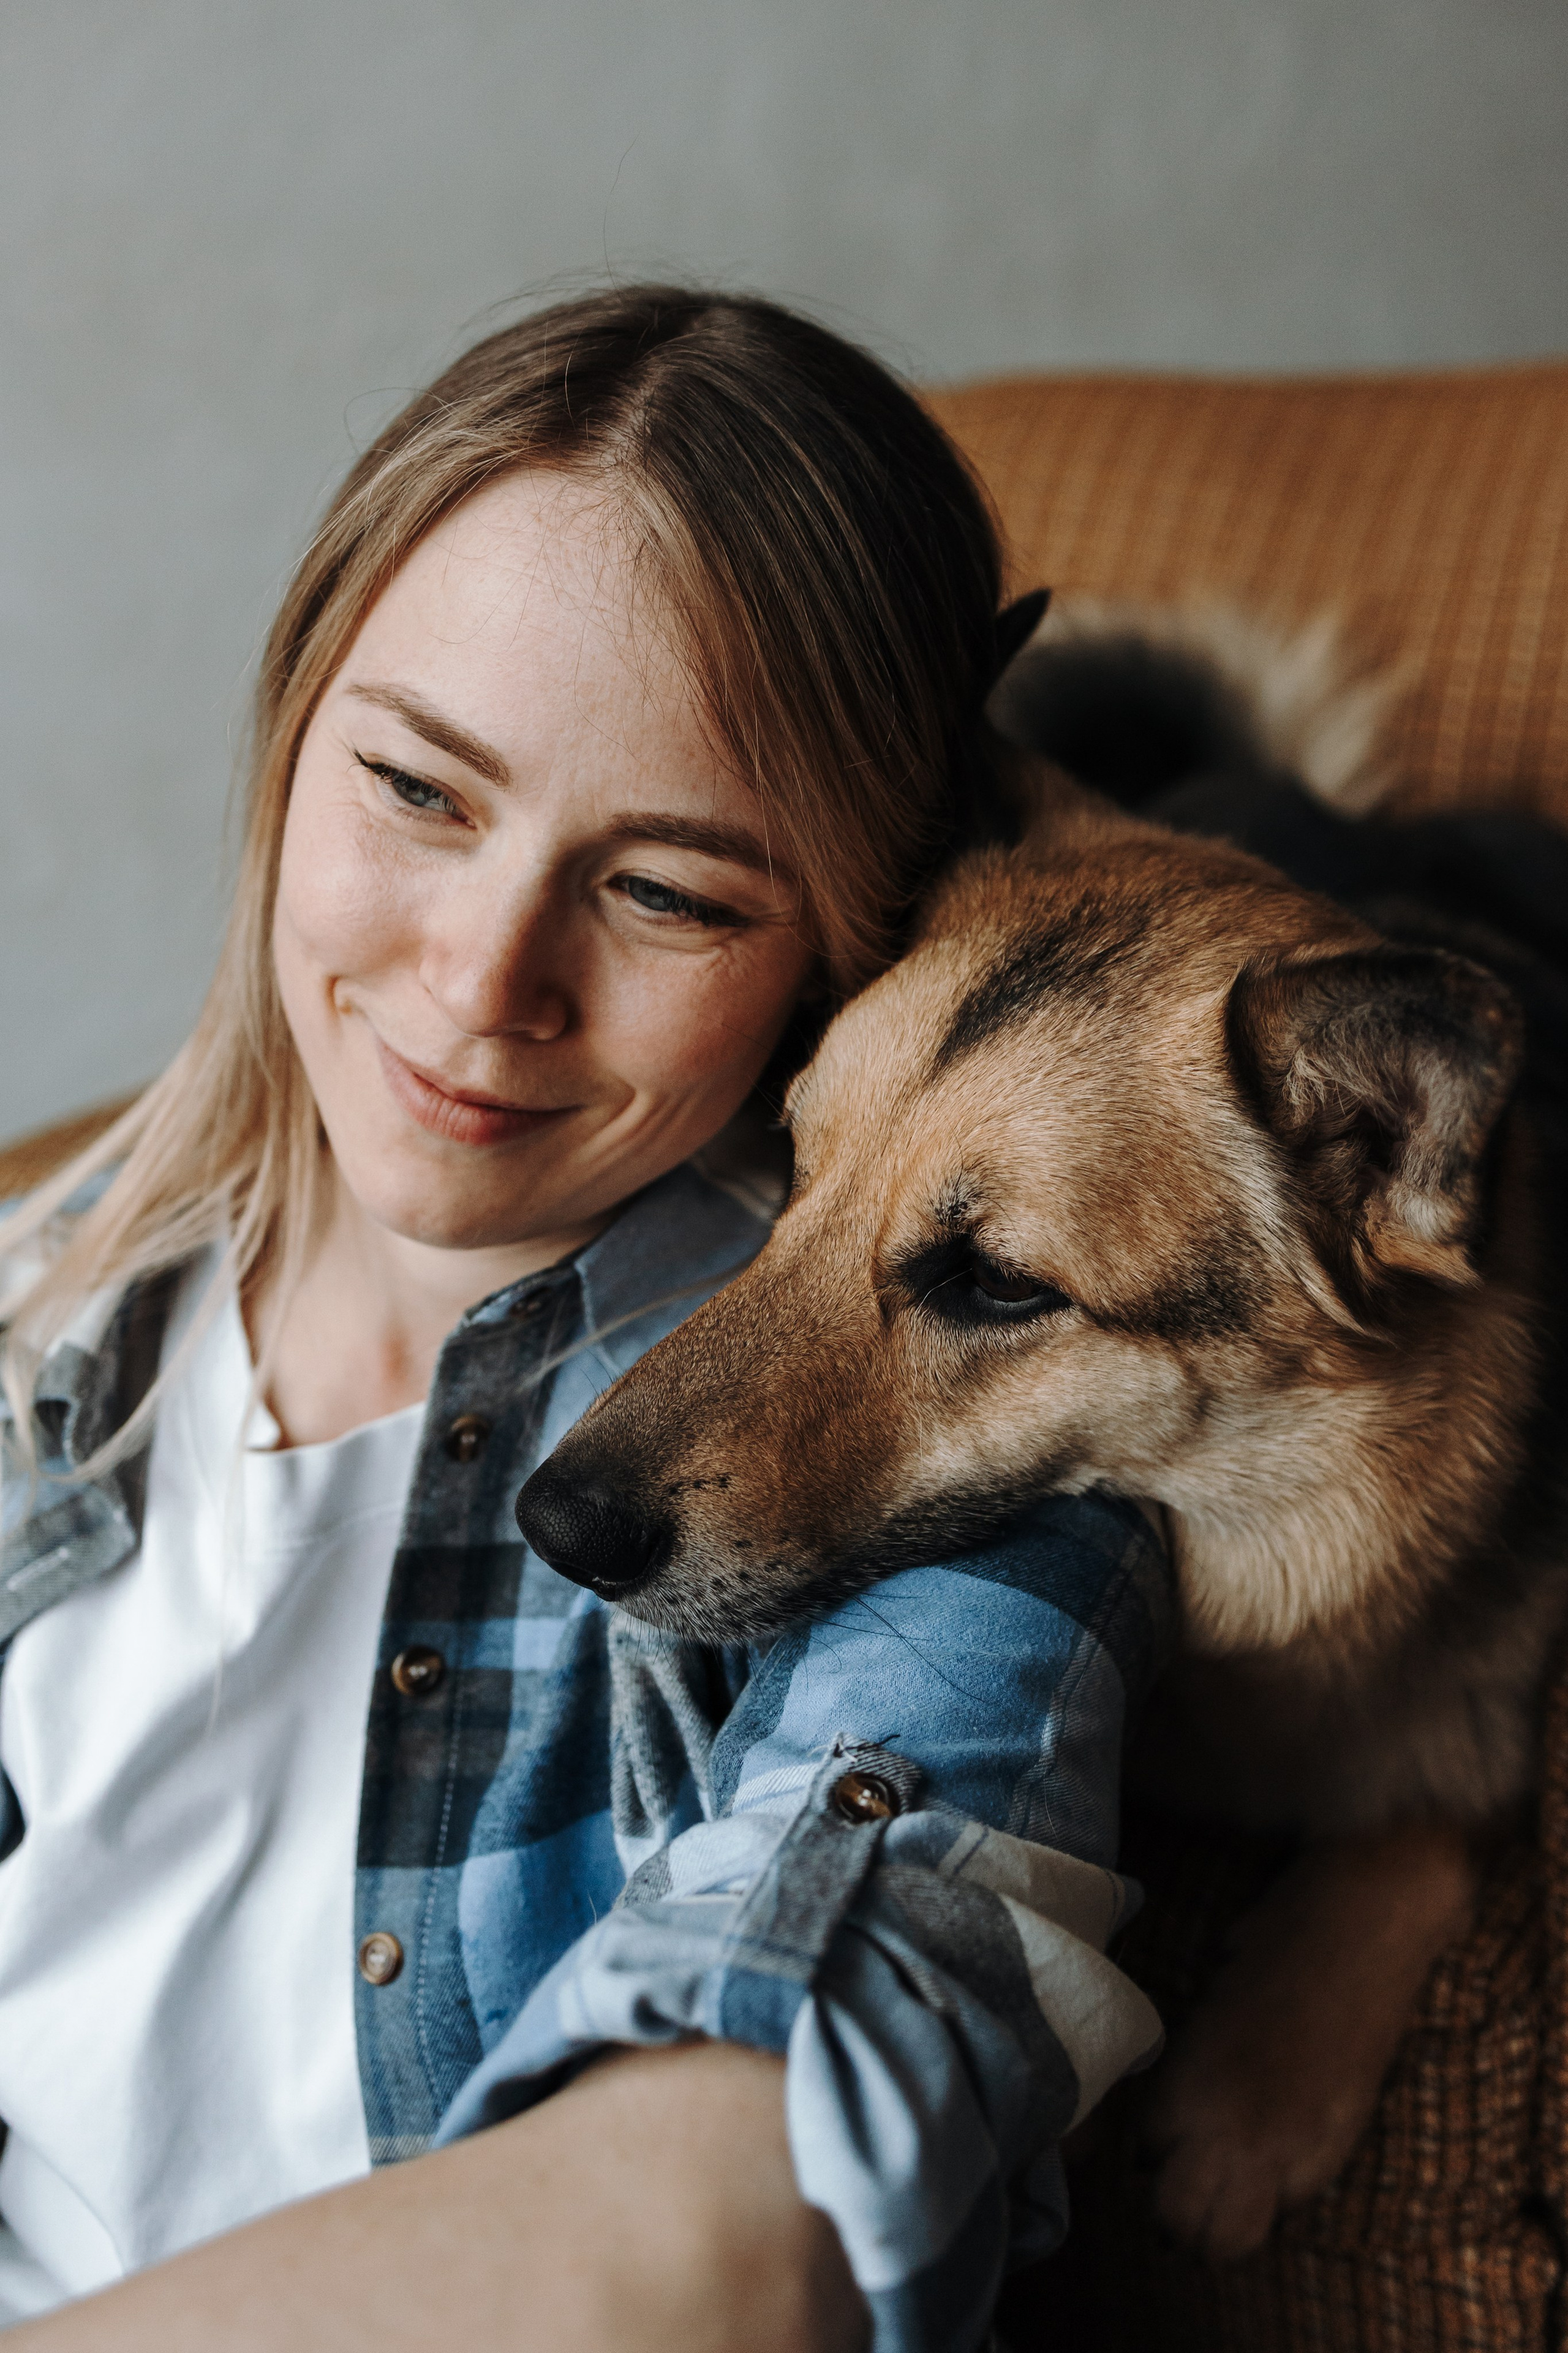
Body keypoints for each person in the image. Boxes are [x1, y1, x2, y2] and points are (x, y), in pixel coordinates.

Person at [0, 287, 1167, 2353]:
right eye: (418, 789)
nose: (482, 980)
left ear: (847, 943)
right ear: (295, 717)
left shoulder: (949, 1473)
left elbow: (723, 2244)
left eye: (670, 894)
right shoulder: (45, 1317)